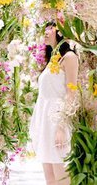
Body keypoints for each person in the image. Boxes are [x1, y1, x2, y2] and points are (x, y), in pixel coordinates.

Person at [29, 22, 79, 185]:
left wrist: (62, 127)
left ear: (61, 31)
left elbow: (71, 92)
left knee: (61, 175)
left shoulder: (69, 57)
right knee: (50, 178)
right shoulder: (52, 59)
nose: (45, 32)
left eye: (50, 28)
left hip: (57, 118)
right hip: (45, 118)